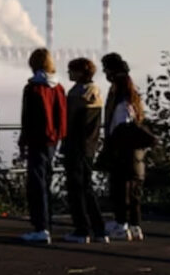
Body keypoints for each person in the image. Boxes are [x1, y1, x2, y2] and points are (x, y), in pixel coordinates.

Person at [17, 48, 66, 245]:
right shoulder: (58, 87)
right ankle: (47, 224)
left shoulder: (32, 88)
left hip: (37, 139)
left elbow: (27, 118)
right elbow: (62, 115)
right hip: (53, 140)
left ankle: (41, 227)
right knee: (46, 180)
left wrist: (23, 140)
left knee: (36, 183)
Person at [61, 58, 108, 244]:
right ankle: (99, 229)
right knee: (87, 188)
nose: (69, 74)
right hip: (90, 146)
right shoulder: (95, 93)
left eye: (71, 70)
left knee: (75, 189)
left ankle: (81, 229)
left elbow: (69, 122)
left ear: (80, 72)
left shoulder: (76, 95)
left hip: (75, 146)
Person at [102, 53, 147, 242]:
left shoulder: (119, 96)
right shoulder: (132, 95)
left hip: (122, 150)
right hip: (136, 152)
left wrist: (112, 144)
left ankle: (121, 225)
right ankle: (134, 225)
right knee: (134, 189)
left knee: (121, 188)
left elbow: (120, 125)